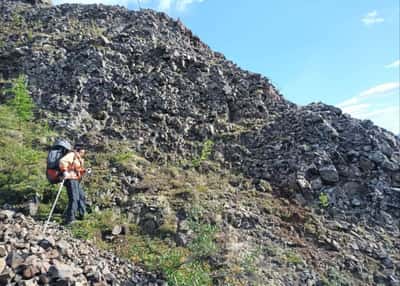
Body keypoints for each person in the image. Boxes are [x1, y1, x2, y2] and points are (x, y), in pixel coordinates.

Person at [59, 143, 87, 224]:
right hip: (71, 179)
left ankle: (82, 215)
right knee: (74, 198)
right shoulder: (72, 155)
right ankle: (70, 219)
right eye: (83, 150)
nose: (84, 152)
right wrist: (65, 172)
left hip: (76, 180)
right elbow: (62, 161)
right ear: (79, 150)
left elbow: (77, 169)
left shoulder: (78, 158)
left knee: (81, 197)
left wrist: (84, 171)